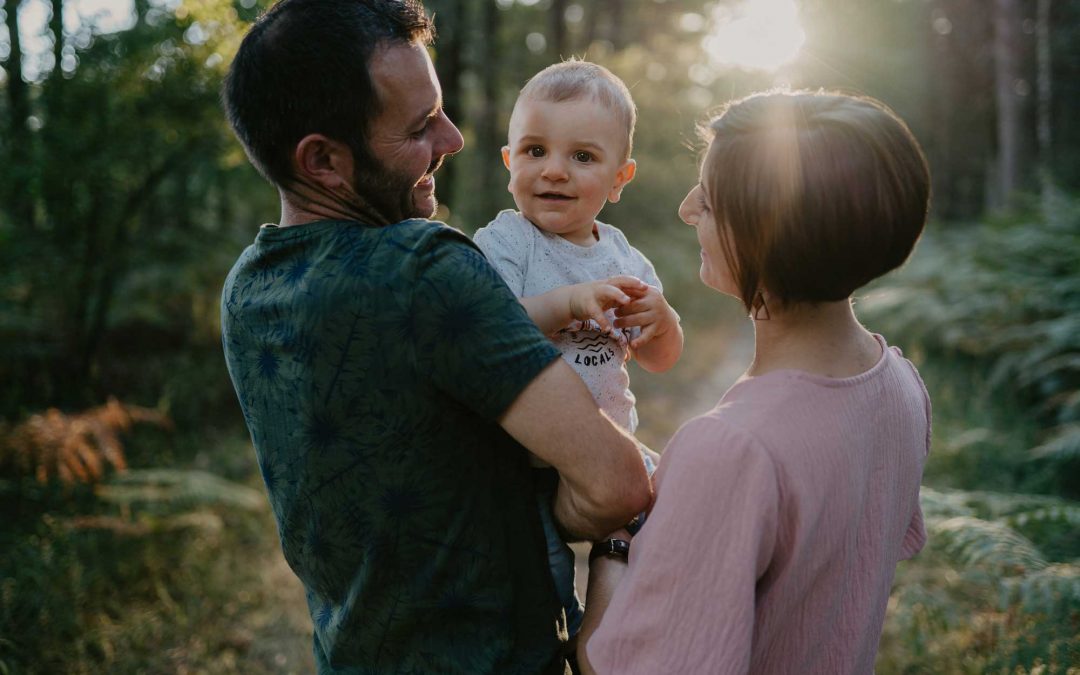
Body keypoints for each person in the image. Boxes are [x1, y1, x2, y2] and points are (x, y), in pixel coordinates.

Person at [218, 2, 651, 674]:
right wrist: (615, 549)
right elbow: (616, 485)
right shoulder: (423, 268)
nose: (452, 138)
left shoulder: (247, 287)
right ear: (324, 160)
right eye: (420, 127)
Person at [578, 90, 933, 674]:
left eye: (711, 203)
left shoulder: (732, 450)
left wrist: (617, 538)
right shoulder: (899, 386)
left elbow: (610, 666)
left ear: (762, 236)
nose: (686, 209)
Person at [472, 60, 683, 640]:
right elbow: (489, 330)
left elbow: (659, 359)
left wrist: (663, 322)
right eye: (535, 151)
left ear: (620, 178)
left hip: (605, 445)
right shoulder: (506, 242)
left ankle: (618, 640)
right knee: (540, 586)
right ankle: (563, 639)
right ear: (509, 161)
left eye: (583, 157)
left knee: (677, 514)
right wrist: (566, 302)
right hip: (520, 461)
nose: (555, 172)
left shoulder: (625, 259)